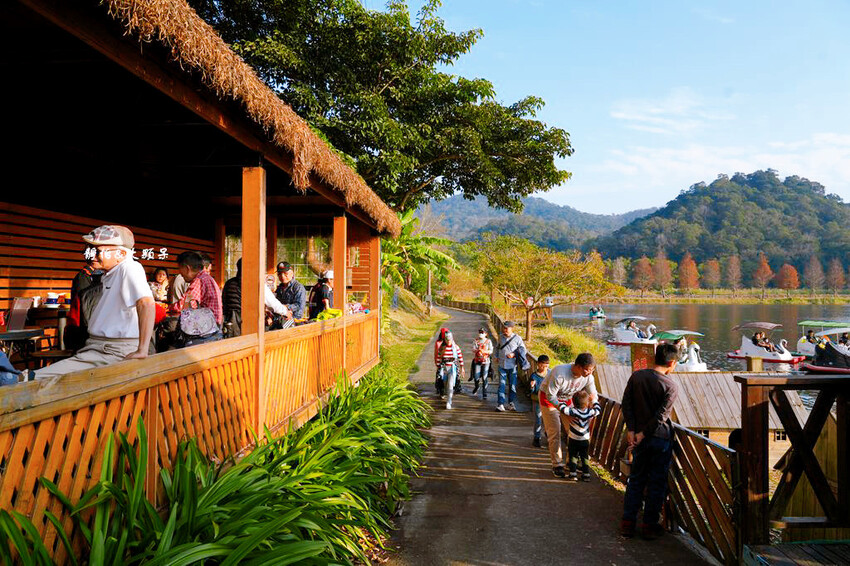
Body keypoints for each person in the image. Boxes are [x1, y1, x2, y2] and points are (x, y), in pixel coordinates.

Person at [33, 225, 155, 381]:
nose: (91, 255)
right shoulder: (110, 274)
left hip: (112, 351)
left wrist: (142, 349)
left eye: (98, 251)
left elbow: (147, 303)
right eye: (90, 249)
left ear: (121, 254)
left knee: (38, 379)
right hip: (97, 348)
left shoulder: (130, 267)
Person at [620, 343, 680, 540]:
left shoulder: (637, 376)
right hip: (659, 439)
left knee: (636, 480)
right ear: (671, 362)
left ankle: (627, 523)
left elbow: (626, 403)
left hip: (638, 436)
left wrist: (632, 429)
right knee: (656, 483)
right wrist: (643, 434)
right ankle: (649, 525)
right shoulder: (670, 385)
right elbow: (661, 416)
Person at [539, 353, 598, 477]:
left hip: (567, 400)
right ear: (578, 366)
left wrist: (592, 408)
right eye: (587, 369)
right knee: (554, 432)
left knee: (573, 431)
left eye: (592, 370)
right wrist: (564, 411)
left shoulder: (588, 377)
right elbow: (551, 396)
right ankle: (557, 465)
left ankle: (571, 463)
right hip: (549, 400)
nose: (589, 372)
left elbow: (593, 395)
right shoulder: (560, 373)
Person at [221, 258, 291, 337]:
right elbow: (273, 303)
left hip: (230, 326)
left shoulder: (228, 283)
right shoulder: (254, 283)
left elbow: (223, 302)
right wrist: (286, 312)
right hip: (248, 326)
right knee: (281, 325)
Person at [173, 251, 223, 346]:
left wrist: (168, 308)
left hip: (204, 331)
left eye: (180, 269)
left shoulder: (199, 281)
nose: (180, 274)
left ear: (187, 268)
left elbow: (183, 305)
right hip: (213, 328)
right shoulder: (208, 278)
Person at [565, 390, 602, 481]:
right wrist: (593, 400)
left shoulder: (572, 411)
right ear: (587, 403)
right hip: (584, 439)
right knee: (584, 456)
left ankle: (573, 474)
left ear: (574, 402)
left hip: (573, 439)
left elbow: (562, 408)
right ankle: (586, 475)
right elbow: (598, 409)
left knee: (573, 456)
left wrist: (564, 402)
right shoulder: (589, 412)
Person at [495, 321, 529, 412]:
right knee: (501, 385)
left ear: (511, 328)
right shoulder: (500, 337)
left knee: (512, 385)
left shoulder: (517, 338)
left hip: (512, 366)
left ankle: (511, 403)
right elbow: (497, 347)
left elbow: (523, 350)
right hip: (501, 364)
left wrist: (514, 354)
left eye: (507, 328)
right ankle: (500, 404)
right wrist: (496, 356)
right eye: (504, 328)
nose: (505, 330)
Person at [437, 331, 464, 409]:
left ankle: (449, 401)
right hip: (444, 368)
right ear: (445, 340)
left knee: (450, 385)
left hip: (452, 368)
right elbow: (439, 358)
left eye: (450, 339)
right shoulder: (442, 348)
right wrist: (439, 368)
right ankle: (447, 396)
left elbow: (460, 357)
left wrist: (462, 367)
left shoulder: (456, 347)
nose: (448, 341)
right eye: (447, 339)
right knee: (445, 385)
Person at [529, 354, 550, 448]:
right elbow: (530, 391)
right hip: (537, 400)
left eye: (546, 366)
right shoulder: (534, 375)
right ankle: (537, 438)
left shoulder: (550, 374)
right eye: (542, 365)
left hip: (548, 400)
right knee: (538, 419)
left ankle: (549, 437)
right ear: (538, 364)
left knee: (548, 420)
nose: (544, 368)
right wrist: (532, 386)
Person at [471, 327, 493, 398]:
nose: (480, 334)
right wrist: (477, 350)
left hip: (486, 361)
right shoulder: (476, 341)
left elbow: (491, 351)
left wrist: (484, 351)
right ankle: (477, 386)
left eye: (482, 332)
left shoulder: (488, 341)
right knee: (476, 376)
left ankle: (485, 392)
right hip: (477, 361)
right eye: (480, 332)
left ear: (486, 334)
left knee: (484, 377)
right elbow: (473, 349)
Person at [434, 327, 449, 397]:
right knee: (440, 376)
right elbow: (436, 353)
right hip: (441, 362)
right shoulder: (438, 343)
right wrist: (437, 363)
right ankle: (440, 389)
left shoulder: (450, 341)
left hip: (449, 361)